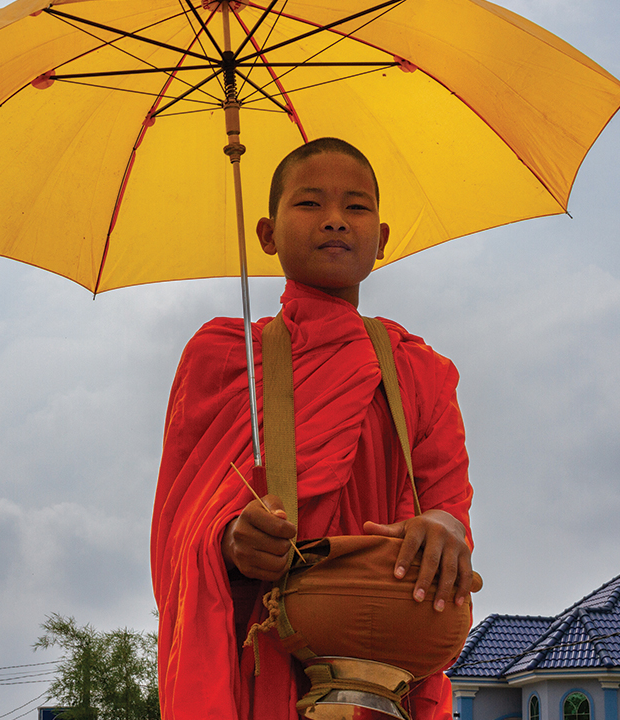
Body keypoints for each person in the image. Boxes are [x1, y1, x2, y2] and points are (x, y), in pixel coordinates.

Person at [151, 137, 475, 720]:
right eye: (309, 204)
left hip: (379, 662)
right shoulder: (223, 357)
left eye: (356, 206)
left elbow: (447, 502)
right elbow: (177, 531)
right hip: (260, 652)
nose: (334, 221)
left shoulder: (419, 370)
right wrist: (230, 542)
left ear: (380, 238)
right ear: (267, 235)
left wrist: (445, 528)